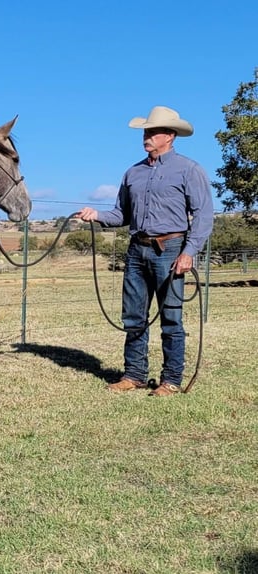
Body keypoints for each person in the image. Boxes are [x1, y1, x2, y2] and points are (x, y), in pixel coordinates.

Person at [76, 106, 213, 397]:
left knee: (171, 317)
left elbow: (203, 215)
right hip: (137, 251)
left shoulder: (189, 170)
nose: (147, 136)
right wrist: (95, 215)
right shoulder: (132, 173)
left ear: (171, 136)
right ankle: (135, 375)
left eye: (153, 132)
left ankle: (171, 380)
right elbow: (120, 214)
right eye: (146, 132)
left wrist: (189, 251)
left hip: (172, 250)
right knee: (134, 317)